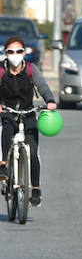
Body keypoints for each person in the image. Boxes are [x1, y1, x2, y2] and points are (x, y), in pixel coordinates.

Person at [0, 36, 57, 207]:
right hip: (8, 111)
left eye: (19, 51)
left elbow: (43, 87)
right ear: (5, 53)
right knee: (7, 128)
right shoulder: (1, 71)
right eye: (10, 51)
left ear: (24, 53)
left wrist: (50, 101)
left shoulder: (31, 70)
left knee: (32, 152)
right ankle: (4, 165)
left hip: (28, 112)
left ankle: (36, 188)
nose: (15, 55)